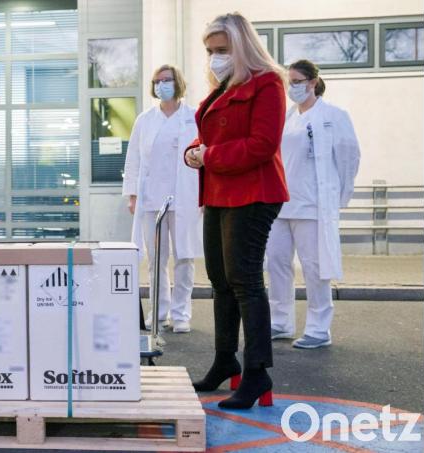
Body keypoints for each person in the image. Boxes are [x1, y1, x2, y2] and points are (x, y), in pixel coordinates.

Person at [183, 12, 288, 409]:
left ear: (242, 47)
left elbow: (263, 144)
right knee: (220, 281)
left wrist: (211, 155)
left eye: (222, 50)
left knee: (244, 280)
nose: (214, 58)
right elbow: (214, 135)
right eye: (210, 51)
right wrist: (194, 151)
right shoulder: (223, 87)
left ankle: (257, 372)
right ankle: (225, 361)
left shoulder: (268, 84)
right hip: (220, 191)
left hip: (255, 192)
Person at [266, 59, 361, 349]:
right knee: (277, 264)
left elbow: (349, 158)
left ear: (311, 82)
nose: (291, 87)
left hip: (312, 205)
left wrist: (338, 197)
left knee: (314, 267)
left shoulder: (334, 115)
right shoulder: (287, 117)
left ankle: (319, 329)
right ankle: (280, 322)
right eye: (288, 82)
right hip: (281, 204)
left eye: (296, 81)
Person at [122, 64, 203, 334]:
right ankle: (159, 313)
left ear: (177, 82)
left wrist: (203, 196)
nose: (161, 85)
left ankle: (181, 314)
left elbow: (203, 158)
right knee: (157, 259)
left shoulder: (194, 117)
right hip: (152, 200)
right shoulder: (145, 119)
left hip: (185, 198)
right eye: (157, 81)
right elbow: (133, 159)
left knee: (184, 257)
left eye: (166, 80)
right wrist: (132, 194)